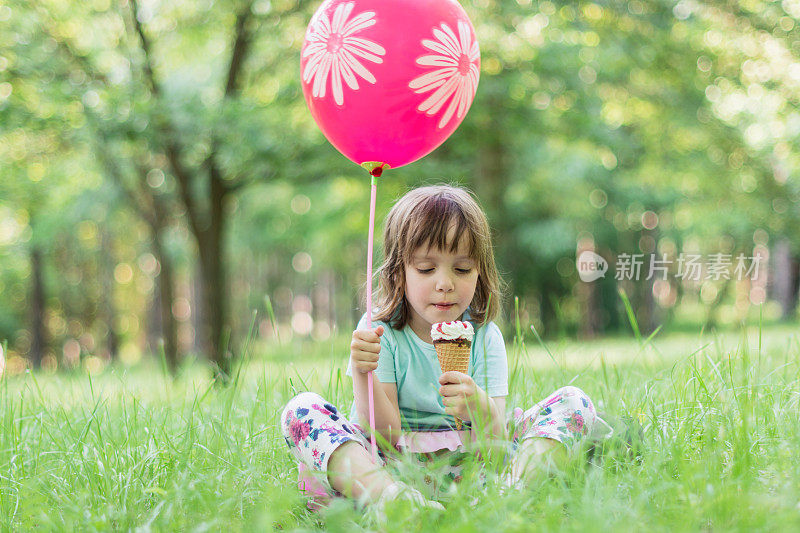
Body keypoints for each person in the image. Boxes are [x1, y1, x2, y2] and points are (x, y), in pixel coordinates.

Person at [280, 184, 612, 512]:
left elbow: (495, 449)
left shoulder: (484, 336)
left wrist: (481, 411)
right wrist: (362, 372)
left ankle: (509, 495)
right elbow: (383, 435)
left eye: (462, 269)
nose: (445, 283)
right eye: (426, 269)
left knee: (573, 401)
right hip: (393, 468)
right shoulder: (380, 331)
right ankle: (392, 502)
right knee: (302, 410)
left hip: (473, 471)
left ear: (479, 272)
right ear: (399, 274)